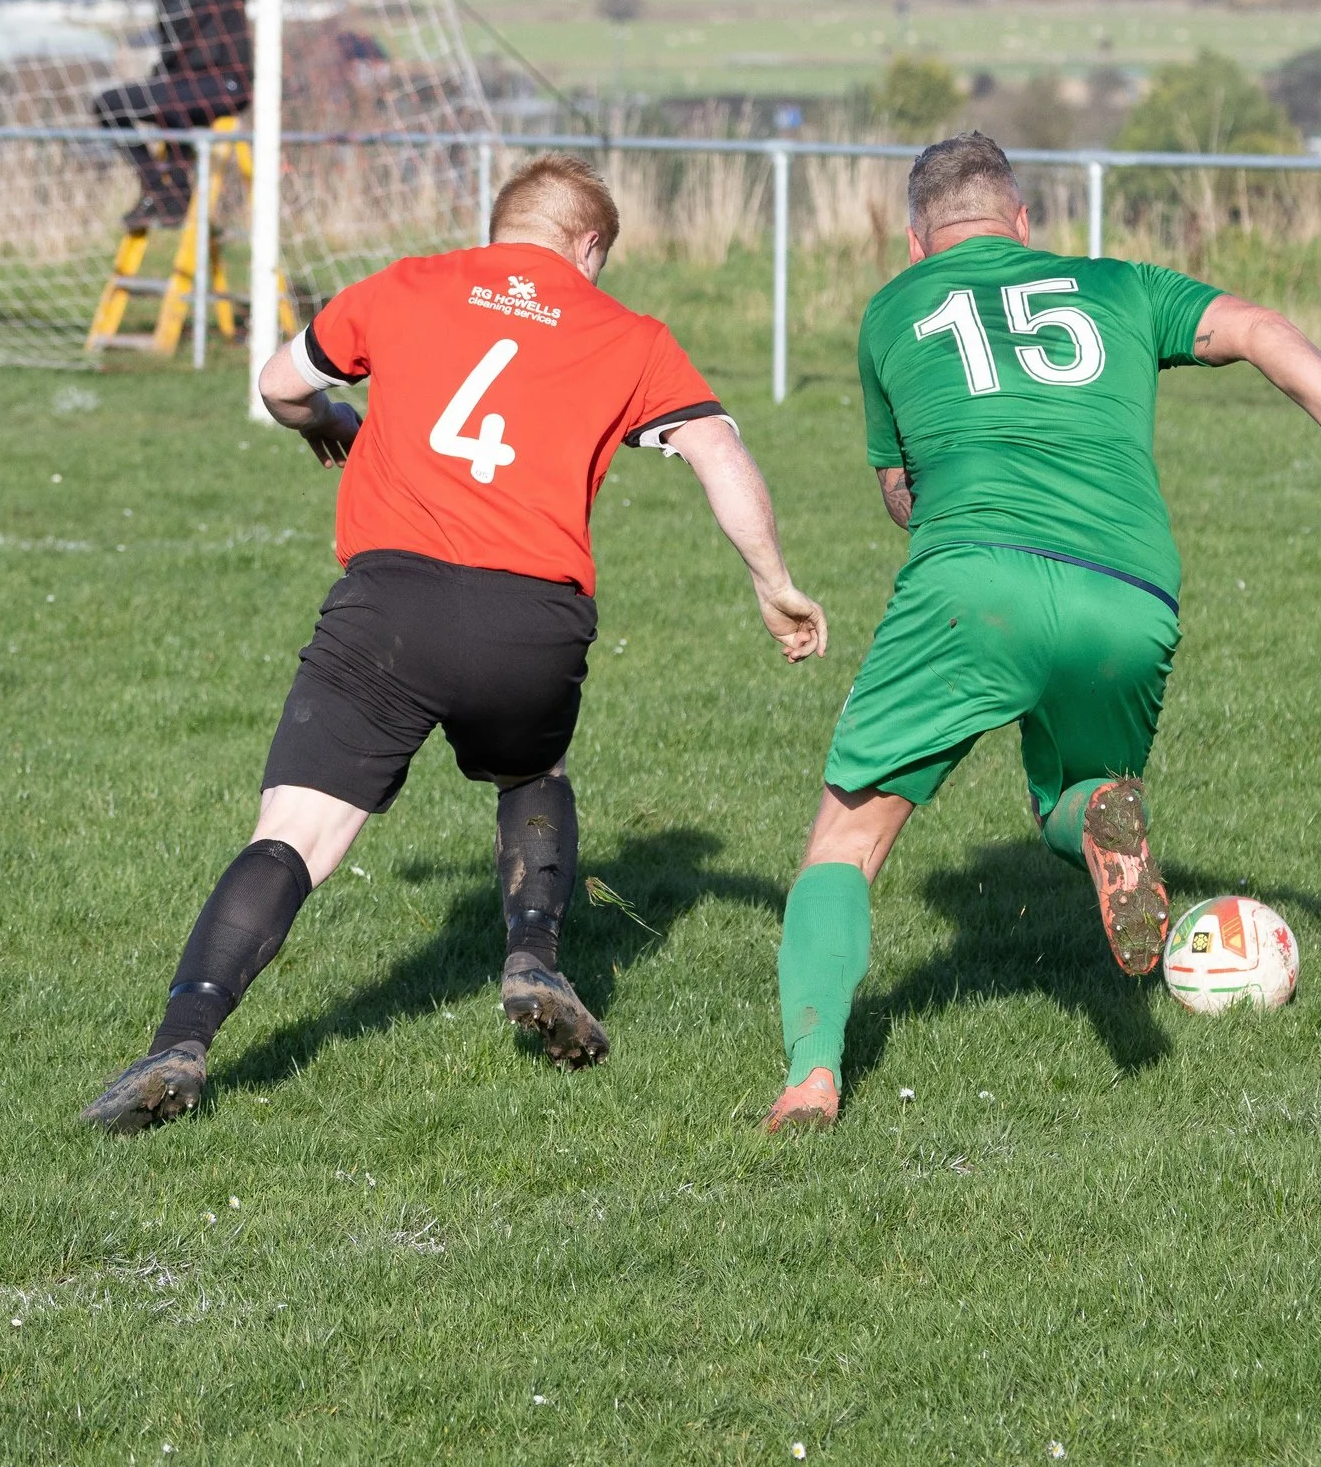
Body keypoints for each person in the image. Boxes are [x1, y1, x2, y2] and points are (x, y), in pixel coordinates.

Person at [84, 155, 828, 1134]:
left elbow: (278, 382)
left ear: (501, 225)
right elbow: (718, 451)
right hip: (532, 620)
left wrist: (327, 415)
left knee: (292, 836)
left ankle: (180, 1041)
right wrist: (773, 582)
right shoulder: (631, 334)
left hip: (387, 608)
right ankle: (531, 957)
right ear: (589, 244)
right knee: (533, 767)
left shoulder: (406, 284)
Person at [763, 132, 1321, 1131]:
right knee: (1070, 795)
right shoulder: (1115, 284)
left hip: (970, 585)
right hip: (1126, 593)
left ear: (916, 240)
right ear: (1023, 222)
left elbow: (901, 491)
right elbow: (1252, 323)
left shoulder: (892, 312)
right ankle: (1095, 824)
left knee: (846, 841)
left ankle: (812, 1074)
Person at [91, 0, 255, 231]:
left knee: (172, 99)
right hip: (180, 88)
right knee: (108, 103)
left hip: (228, 83)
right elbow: (171, 54)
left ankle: (177, 193)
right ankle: (157, 187)